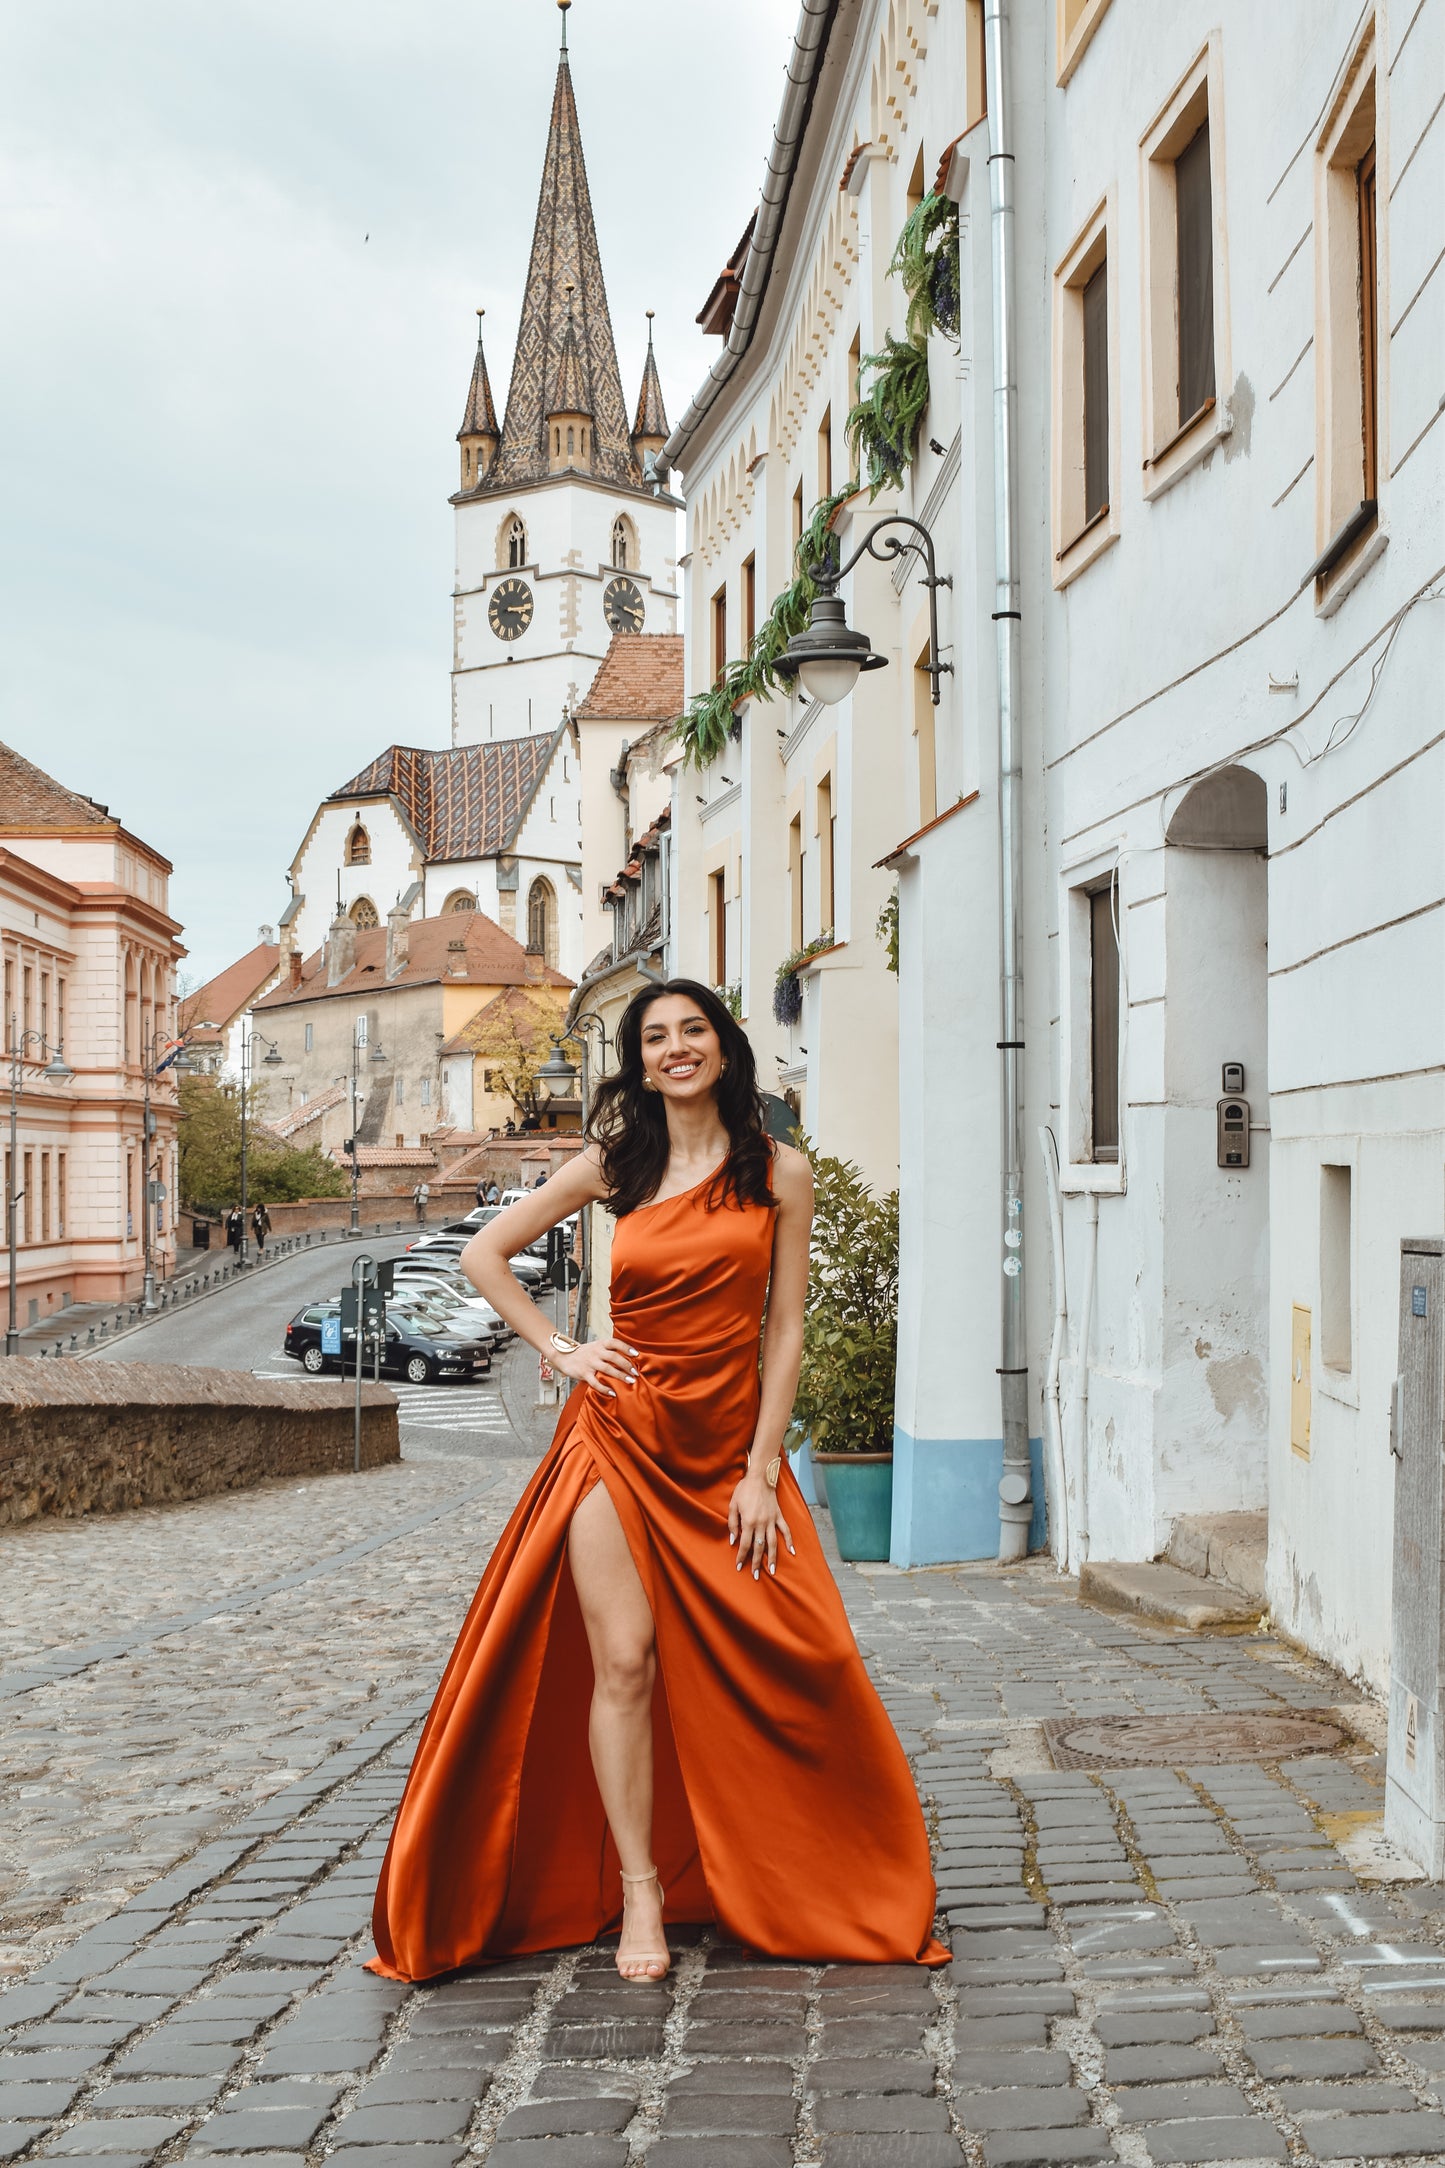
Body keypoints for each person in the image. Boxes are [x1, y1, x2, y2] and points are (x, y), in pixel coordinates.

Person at [368, 979, 944, 1988]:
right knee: (623, 1660)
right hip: (615, 1435)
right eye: (653, 1038)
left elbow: (785, 1327)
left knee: (791, 1656)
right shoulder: (613, 1164)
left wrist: (763, 1468)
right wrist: (562, 1346)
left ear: (723, 1046)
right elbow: (483, 1252)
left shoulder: (782, 1172)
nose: (674, 1049)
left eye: (691, 1031)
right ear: (636, 1061)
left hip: (723, 1450)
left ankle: (787, 1860)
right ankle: (639, 1884)